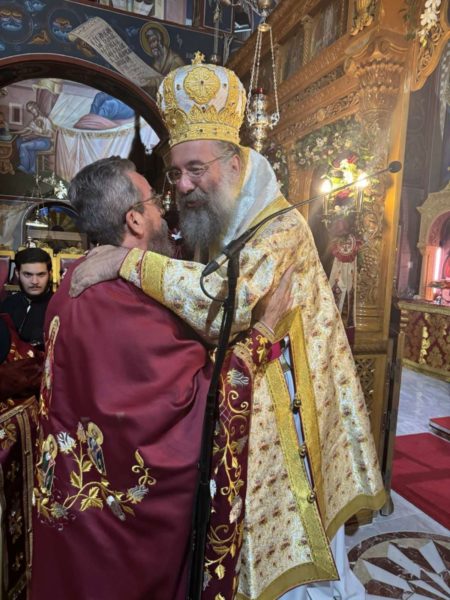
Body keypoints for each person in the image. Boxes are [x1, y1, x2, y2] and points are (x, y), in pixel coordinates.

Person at [70, 56, 386, 599]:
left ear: (235, 162)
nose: (184, 185)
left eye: (197, 169)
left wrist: (126, 261)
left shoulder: (278, 224)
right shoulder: (219, 217)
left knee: (294, 559)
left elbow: (225, 303)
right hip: (241, 401)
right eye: (175, 174)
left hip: (288, 416)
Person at [31, 157, 292, 600]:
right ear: (134, 220)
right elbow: (194, 408)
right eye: (154, 202)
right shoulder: (120, 303)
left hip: (78, 522)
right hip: (117, 545)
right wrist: (262, 338)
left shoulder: (76, 277)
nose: (165, 213)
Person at [0, 247, 53, 351]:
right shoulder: (7, 304)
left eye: (41, 274)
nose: (34, 281)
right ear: (17, 273)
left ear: (50, 274)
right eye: (28, 274)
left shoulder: (60, 307)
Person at [141, 23, 184, 97]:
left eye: (154, 41)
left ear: (160, 40)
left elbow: (176, 85)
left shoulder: (176, 61)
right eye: (150, 43)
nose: (152, 46)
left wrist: (153, 81)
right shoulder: (156, 62)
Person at [15, 101, 53, 174]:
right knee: (20, 141)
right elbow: (25, 130)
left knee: (23, 146)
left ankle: (24, 167)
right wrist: (13, 133)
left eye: (32, 109)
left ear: (36, 108)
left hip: (45, 142)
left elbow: (50, 135)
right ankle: (31, 169)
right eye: (30, 110)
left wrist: (38, 134)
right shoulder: (33, 121)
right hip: (37, 140)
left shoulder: (46, 120)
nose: (32, 111)